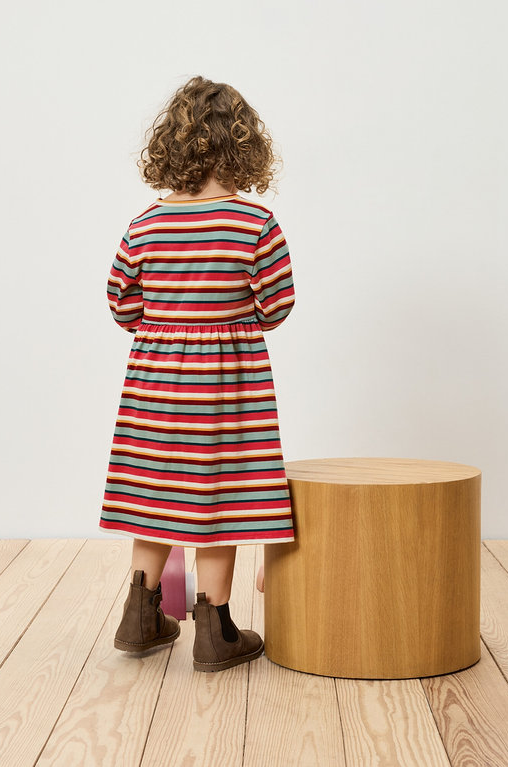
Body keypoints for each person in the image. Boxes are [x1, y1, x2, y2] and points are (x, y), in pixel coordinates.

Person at [101, 75, 296, 672]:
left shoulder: (144, 226)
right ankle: (215, 632)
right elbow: (277, 306)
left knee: (157, 492)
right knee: (220, 502)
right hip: (227, 390)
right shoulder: (255, 224)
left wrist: (167, 320)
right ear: (244, 147)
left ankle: (139, 617)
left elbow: (121, 305)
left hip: (155, 388)